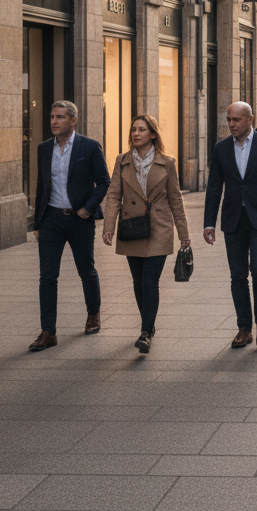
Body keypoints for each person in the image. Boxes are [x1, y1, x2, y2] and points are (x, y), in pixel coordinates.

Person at [203, 102, 257, 350]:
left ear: (250, 119)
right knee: (238, 275)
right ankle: (244, 327)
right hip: (233, 219)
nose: (231, 124)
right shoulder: (221, 148)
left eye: (236, 120)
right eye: (228, 119)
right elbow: (213, 187)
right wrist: (208, 222)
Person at [102, 115, 190, 354]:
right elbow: (113, 195)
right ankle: (149, 327)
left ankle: (145, 331)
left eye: (141, 129)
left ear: (153, 134)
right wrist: (108, 226)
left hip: (159, 227)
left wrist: (184, 233)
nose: (136, 133)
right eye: (133, 130)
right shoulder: (122, 161)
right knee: (138, 282)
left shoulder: (167, 162)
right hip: (132, 227)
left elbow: (175, 198)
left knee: (150, 281)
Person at [29, 101, 110, 352]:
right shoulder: (44, 149)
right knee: (47, 277)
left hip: (79, 218)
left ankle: (93, 314)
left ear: (73, 121)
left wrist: (88, 207)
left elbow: (104, 182)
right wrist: (38, 222)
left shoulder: (90, 146)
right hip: (51, 218)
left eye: (60, 117)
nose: (54, 121)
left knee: (86, 270)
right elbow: (42, 186)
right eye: (52, 116)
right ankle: (48, 331)